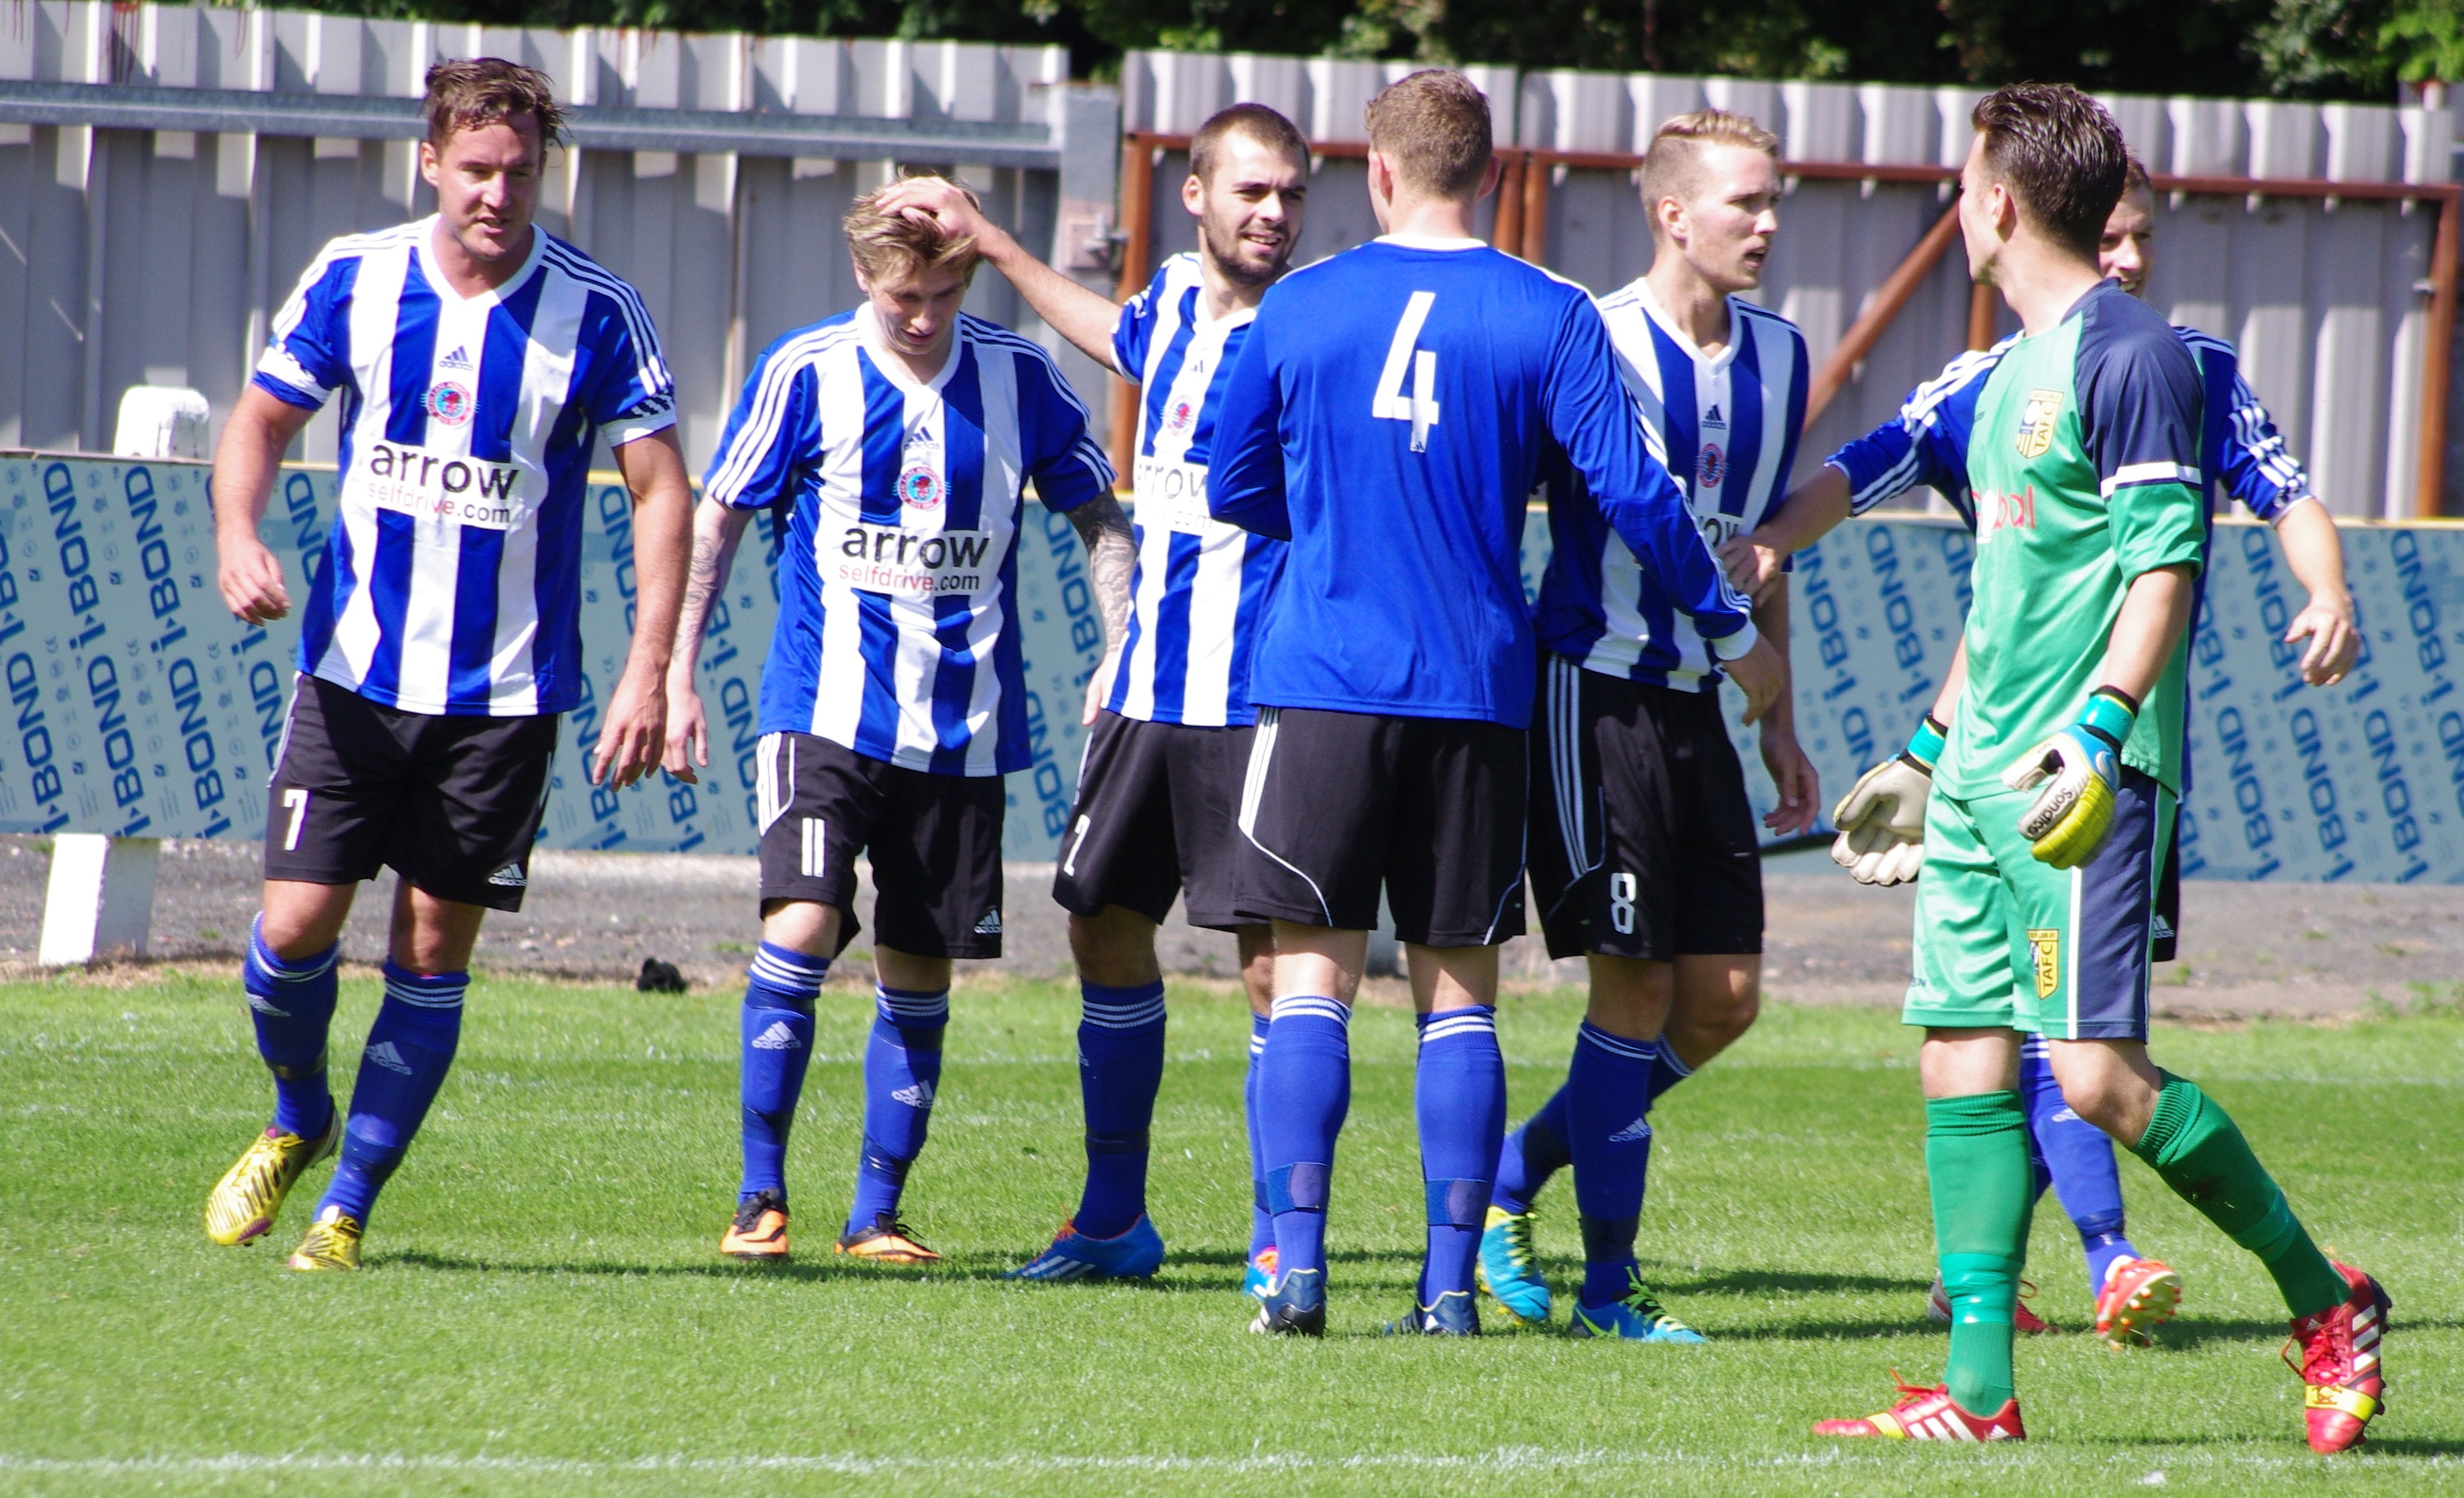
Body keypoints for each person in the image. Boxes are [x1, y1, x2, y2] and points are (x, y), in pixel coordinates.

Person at [1801, 85, 2385, 1452]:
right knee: (1959, 1058)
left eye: (1961, 182)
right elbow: (2007, 595)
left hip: (2079, 787)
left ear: (1997, 203)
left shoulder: (2133, 359)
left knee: (2095, 1079)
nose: (1957, 203)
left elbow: (2160, 570)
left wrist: (2101, 729)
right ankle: (1980, 1389)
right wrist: (1928, 748)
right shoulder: (1998, 373)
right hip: (1975, 782)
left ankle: (2324, 1296)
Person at [1208, 69, 1783, 1337]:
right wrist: (1733, 628)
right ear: (1496, 176)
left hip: (1322, 680)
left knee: (1308, 977)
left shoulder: (1297, 304)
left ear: (1380, 171)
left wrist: (1338, 524)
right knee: (1456, 991)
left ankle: (1292, 1271)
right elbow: (1637, 494)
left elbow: (1232, 478)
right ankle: (1449, 1287)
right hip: (1478, 687)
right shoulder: (1550, 311)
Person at [202, 58, 690, 1272]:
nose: (498, 192)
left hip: (506, 699)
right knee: (295, 924)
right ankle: (296, 1112)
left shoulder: (599, 311)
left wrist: (647, 669)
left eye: (521, 172)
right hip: (354, 676)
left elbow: (660, 489)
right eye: (476, 169)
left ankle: (347, 1207)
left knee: (430, 947)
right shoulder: (358, 277)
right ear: (431, 161)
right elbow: (262, 418)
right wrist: (237, 535)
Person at [874, 105, 1308, 1287]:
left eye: (1290, 196)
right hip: (1142, 689)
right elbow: (1111, 334)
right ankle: (1115, 1216)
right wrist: (996, 246)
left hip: (1257, 692)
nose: (1272, 215)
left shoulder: (1316, 326)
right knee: (1101, 924)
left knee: (1276, 964)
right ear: (1198, 196)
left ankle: (1282, 1236)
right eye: (1252, 192)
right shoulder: (1168, 300)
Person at [664, 177, 1129, 1267]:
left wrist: (1123, 647)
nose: (920, 316)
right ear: (862, 278)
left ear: (966, 277)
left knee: (921, 968)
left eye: (940, 292)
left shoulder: (1020, 379)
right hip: (821, 712)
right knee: (803, 925)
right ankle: (757, 1196)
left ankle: (875, 1214)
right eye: (898, 295)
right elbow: (719, 514)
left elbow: (1100, 518)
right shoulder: (806, 370)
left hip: (959, 734)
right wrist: (675, 669)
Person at [1478, 108, 1815, 1344]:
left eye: (1773, 202)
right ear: (1674, 214)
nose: (1769, 225)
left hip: (1700, 707)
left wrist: (1780, 714)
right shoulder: (1594, 339)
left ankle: (1516, 1169)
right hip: (1592, 691)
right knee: (1633, 992)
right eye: (1746, 204)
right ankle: (1611, 1290)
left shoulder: (1781, 354)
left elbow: (1761, 553)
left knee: (1721, 997)